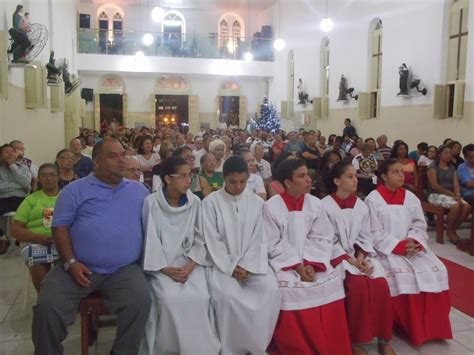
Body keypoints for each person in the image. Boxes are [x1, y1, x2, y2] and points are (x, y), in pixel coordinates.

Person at [32, 139, 151, 355]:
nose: (121, 160)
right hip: (78, 266)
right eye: (113, 156)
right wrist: (70, 262)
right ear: (96, 162)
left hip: (124, 269)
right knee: (47, 307)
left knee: (141, 301)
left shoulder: (139, 191)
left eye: (122, 154)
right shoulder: (75, 190)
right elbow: (59, 228)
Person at [264, 158, 351, 354]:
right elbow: (273, 242)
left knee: (332, 282)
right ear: (288, 182)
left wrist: (312, 263)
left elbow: (322, 236)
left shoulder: (315, 204)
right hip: (286, 265)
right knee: (286, 290)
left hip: (314, 262)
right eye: (302, 176)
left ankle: (331, 345)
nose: (309, 180)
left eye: (308, 175)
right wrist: (297, 266)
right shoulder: (271, 206)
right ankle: (297, 348)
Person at [365, 159, 452, 346]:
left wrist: (414, 241)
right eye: (395, 172)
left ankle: (434, 328)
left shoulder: (411, 197)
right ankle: (407, 326)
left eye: (401, 172)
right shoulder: (373, 199)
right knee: (403, 277)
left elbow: (419, 223)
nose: (400, 175)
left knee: (438, 270)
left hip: (412, 248)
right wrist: (398, 246)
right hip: (386, 250)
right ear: (384, 176)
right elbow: (373, 231)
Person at [140, 157, 220, 355]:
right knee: (168, 299)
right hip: (162, 265)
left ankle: (198, 349)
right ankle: (168, 349)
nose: (189, 180)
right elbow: (150, 238)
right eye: (183, 176)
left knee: (201, 296)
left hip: (189, 263)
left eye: (190, 175)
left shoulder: (194, 203)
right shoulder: (151, 203)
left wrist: (191, 265)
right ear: (167, 178)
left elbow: (201, 238)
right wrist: (165, 268)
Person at [202, 156, 281, 355]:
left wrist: (246, 265)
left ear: (248, 178)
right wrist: (231, 267)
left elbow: (260, 238)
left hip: (252, 264)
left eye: (243, 182)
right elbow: (211, 239)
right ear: (223, 179)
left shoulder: (257, 203)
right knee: (226, 298)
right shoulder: (211, 203)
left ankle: (256, 346)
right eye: (232, 182)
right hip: (222, 266)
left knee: (270, 291)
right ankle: (230, 349)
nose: (238, 187)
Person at [322, 162, 395, 355]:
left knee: (380, 284)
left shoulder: (361, 206)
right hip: (336, 258)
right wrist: (350, 260)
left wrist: (361, 257)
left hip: (357, 256)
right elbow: (325, 239)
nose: (355, 180)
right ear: (337, 180)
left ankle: (384, 338)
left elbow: (365, 236)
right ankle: (355, 340)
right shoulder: (324, 206)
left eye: (355, 176)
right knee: (358, 287)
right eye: (349, 177)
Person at [11, 163, 60, 292]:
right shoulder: (30, 200)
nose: (49, 178)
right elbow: (16, 229)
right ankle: (44, 298)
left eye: (52, 175)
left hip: (64, 240)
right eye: (44, 175)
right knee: (36, 260)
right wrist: (36, 237)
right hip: (36, 241)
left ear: (58, 177)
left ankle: (66, 299)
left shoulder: (68, 197)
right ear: (39, 179)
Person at [427, 145, 471, 244]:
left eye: (450, 153)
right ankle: (451, 233)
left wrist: (458, 194)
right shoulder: (433, 167)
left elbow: (455, 184)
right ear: (439, 154)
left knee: (467, 207)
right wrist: (452, 195)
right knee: (455, 206)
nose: (448, 155)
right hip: (435, 195)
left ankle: (451, 229)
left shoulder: (451, 167)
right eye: (445, 153)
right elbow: (435, 186)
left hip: (451, 195)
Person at [0, 143, 31, 254]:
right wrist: (18, 186)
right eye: (6, 151)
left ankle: (21, 237)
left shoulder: (23, 167)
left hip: (19, 198)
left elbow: (26, 183)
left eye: (12, 151)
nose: (10, 154)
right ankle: (2, 237)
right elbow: (22, 185)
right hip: (2, 198)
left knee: (29, 212)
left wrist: (13, 166)